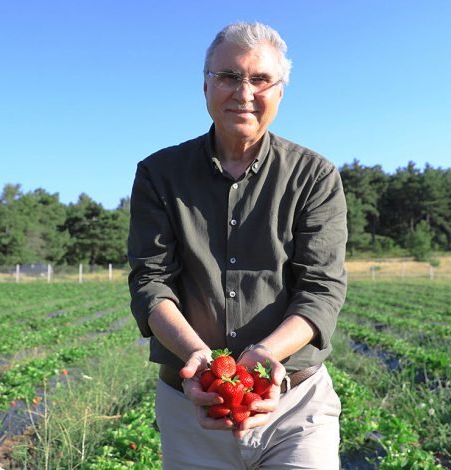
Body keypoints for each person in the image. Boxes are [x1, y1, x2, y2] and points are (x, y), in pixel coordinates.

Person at [128, 21, 347, 469]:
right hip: (191, 404)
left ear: (280, 91)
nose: (244, 92)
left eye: (260, 79)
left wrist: (265, 355)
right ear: (205, 86)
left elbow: (321, 290)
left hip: (295, 405)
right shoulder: (159, 175)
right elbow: (151, 282)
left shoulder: (314, 176)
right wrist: (198, 357)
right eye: (228, 76)